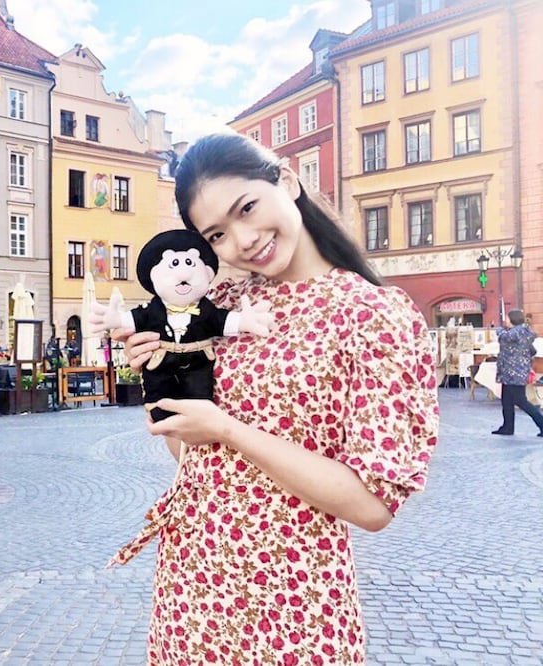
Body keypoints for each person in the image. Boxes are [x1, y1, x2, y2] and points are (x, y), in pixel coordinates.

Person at [111, 134, 439, 664]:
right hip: (193, 588)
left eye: (247, 208)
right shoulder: (219, 306)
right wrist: (162, 387)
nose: (242, 240)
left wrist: (226, 428)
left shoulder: (373, 315)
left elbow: (373, 505)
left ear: (286, 180)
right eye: (216, 235)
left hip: (294, 600)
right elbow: (197, 460)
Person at [491, 309, 543, 436]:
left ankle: (541, 423)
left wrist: (498, 330)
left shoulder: (514, 332)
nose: (505, 321)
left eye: (507, 319)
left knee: (521, 401)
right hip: (511, 372)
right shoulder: (525, 333)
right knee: (506, 400)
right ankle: (507, 427)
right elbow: (532, 351)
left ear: (513, 320)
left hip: (514, 372)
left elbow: (504, 335)